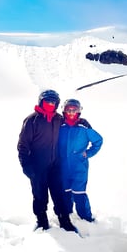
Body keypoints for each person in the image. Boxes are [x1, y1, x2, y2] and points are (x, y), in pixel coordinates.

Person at [17, 89, 77, 232]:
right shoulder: (32, 120)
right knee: (40, 195)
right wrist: (26, 167)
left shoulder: (58, 119)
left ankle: (65, 220)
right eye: (48, 101)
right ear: (41, 102)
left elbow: (71, 123)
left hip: (55, 165)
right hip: (37, 167)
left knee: (59, 194)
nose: (50, 104)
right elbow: (22, 146)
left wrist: (84, 122)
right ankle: (42, 221)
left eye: (53, 102)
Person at [58, 99, 103, 222]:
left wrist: (88, 153)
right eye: (68, 110)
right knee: (65, 192)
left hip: (79, 167)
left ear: (79, 111)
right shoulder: (60, 127)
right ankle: (66, 215)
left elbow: (98, 141)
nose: (71, 113)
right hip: (62, 168)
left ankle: (86, 218)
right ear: (64, 111)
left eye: (74, 110)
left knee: (79, 193)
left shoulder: (84, 128)